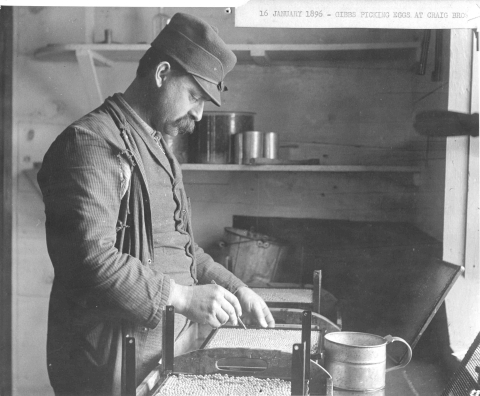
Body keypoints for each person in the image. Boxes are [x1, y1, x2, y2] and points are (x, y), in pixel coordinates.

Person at [37, 12, 275, 396]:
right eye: (195, 96)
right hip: (109, 363)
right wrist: (182, 297)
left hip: (162, 350)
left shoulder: (159, 148)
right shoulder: (91, 142)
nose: (199, 113)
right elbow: (89, 256)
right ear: (162, 72)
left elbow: (184, 249)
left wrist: (237, 288)